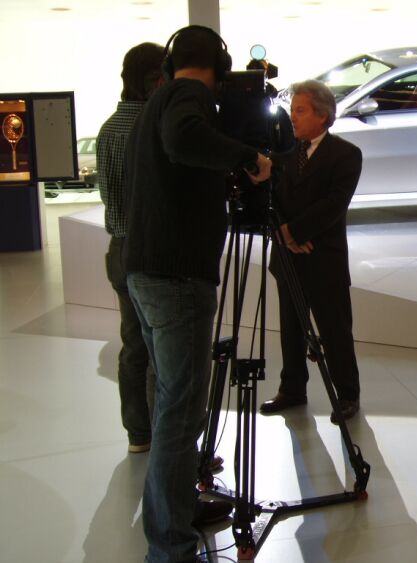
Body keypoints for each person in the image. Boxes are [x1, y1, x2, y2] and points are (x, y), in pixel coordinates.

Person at [122, 25, 272, 563]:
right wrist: (249, 159)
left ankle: (177, 510)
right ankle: (170, 547)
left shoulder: (154, 102)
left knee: (172, 404)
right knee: (181, 413)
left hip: (149, 273)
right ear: (218, 67)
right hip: (176, 279)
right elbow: (187, 138)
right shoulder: (188, 96)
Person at [259, 80, 362, 424]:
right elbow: (272, 201)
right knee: (290, 328)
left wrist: (292, 231)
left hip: (324, 257)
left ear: (323, 115)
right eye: (292, 110)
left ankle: (347, 395)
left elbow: (333, 205)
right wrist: (284, 235)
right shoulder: (284, 156)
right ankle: (292, 389)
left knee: (334, 330)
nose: (293, 117)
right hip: (288, 257)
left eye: (300, 110)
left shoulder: (346, 154)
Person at [97, 42, 164, 454]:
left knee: (133, 344)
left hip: (118, 248)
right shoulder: (152, 127)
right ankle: (168, 438)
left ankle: (138, 433)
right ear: (156, 80)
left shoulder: (107, 129)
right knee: (163, 350)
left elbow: (109, 195)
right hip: (151, 252)